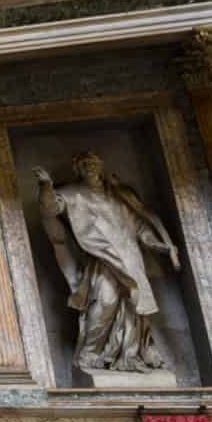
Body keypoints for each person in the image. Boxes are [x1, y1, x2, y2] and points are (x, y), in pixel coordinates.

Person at [35, 151, 180, 374]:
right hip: (102, 259)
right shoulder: (74, 194)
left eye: (93, 163)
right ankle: (90, 354)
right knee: (105, 302)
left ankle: (132, 353)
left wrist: (160, 246)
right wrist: (46, 185)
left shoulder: (120, 195)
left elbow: (141, 228)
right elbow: (51, 208)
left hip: (131, 259)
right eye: (83, 164)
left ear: (101, 166)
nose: (89, 167)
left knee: (135, 307)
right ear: (78, 170)